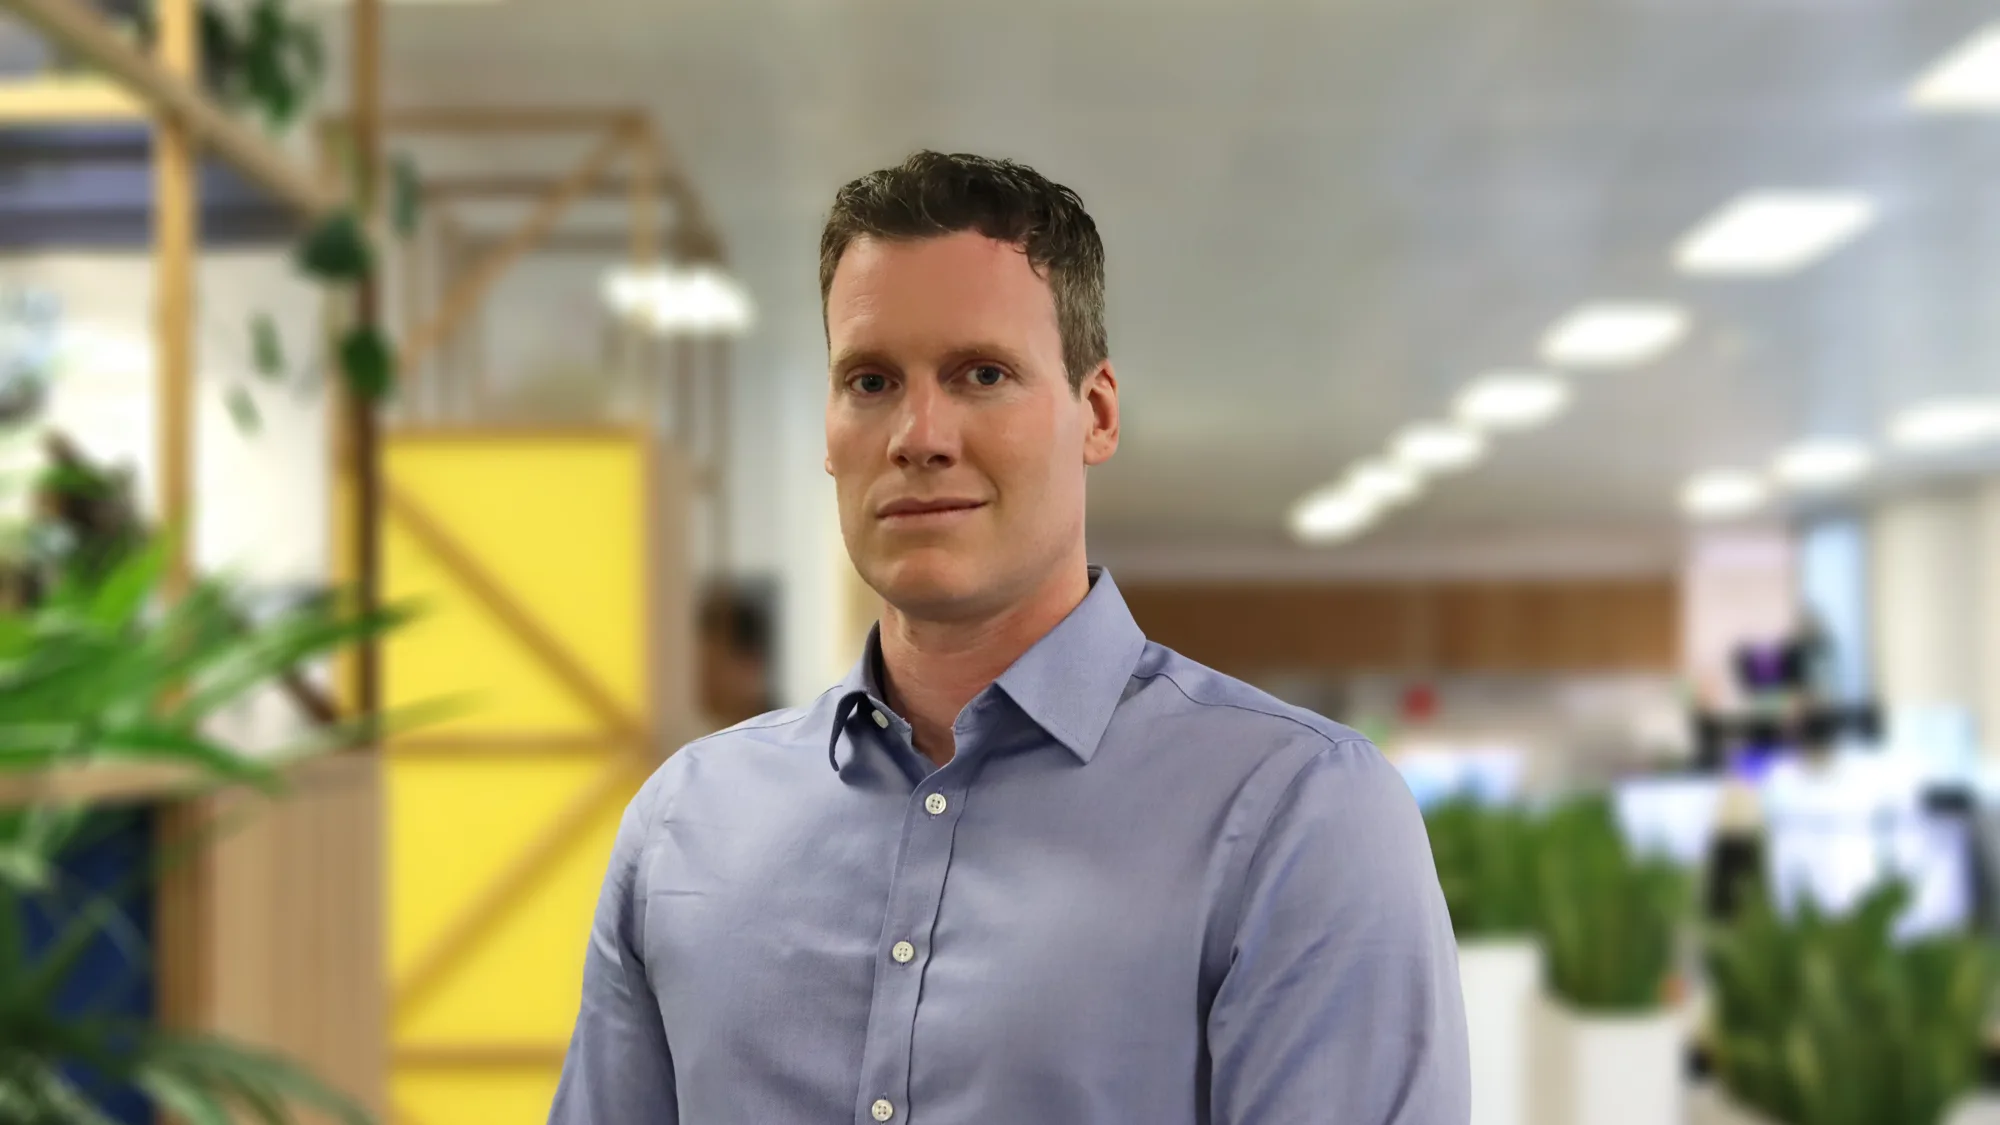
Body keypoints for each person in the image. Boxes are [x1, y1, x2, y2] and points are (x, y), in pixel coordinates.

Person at [549, 151, 1468, 1125]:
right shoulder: (683, 828)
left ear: (1096, 413)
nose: (918, 434)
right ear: (827, 432)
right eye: (869, 381)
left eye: (980, 374)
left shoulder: (1295, 816)